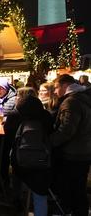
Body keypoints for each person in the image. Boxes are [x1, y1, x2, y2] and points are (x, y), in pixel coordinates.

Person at [5, 87, 53, 216]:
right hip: (42, 159)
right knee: (39, 192)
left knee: (17, 179)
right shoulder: (46, 115)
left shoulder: (14, 115)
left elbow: (9, 136)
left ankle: (18, 202)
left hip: (20, 159)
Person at [50, 74, 91, 216]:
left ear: (64, 85)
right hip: (84, 151)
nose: (55, 92)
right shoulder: (84, 97)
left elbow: (66, 131)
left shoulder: (71, 102)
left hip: (73, 154)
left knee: (73, 190)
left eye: (56, 88)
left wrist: (49, 143)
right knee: (79, 189)